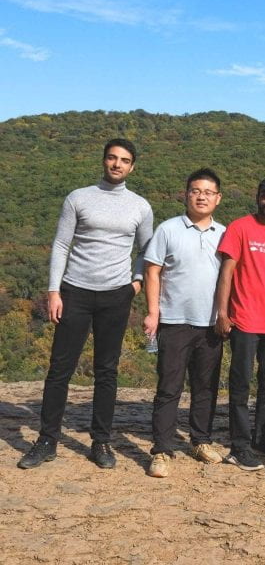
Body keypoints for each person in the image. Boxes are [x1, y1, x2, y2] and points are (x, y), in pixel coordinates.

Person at [18, 139, 153, 470]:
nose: (117, 164)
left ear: (132, 167)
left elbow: (147, 250)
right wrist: (54, 290)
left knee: (106, 370)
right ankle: (47, 439)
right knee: (60, 368)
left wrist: (135, 283)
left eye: (124, 160)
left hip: (116, 295)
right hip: (75, 291)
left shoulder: (140, 206)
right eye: (112, 158)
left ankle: (101, 442)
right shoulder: (78, 198)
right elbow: (62, 244)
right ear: (104, 160)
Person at [143, 168, 226, 478]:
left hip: (211, 323)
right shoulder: (168, 229)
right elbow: (152, 271)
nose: (201, 196)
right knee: (169, 388)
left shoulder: (224, 233)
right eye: (195, 190)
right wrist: (153, 313)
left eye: (208, 192)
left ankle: (200, 441)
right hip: (174, 320)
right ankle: (162, 450)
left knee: (205, 388)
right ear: (186, 194)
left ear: (218, 198)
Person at [215, 177, 265, 471]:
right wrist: (222, 313)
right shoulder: (239, 228)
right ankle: (239, 445)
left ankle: (263, 438)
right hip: (244, 317)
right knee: (241, 382)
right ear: (258, 197)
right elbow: (226, 272)